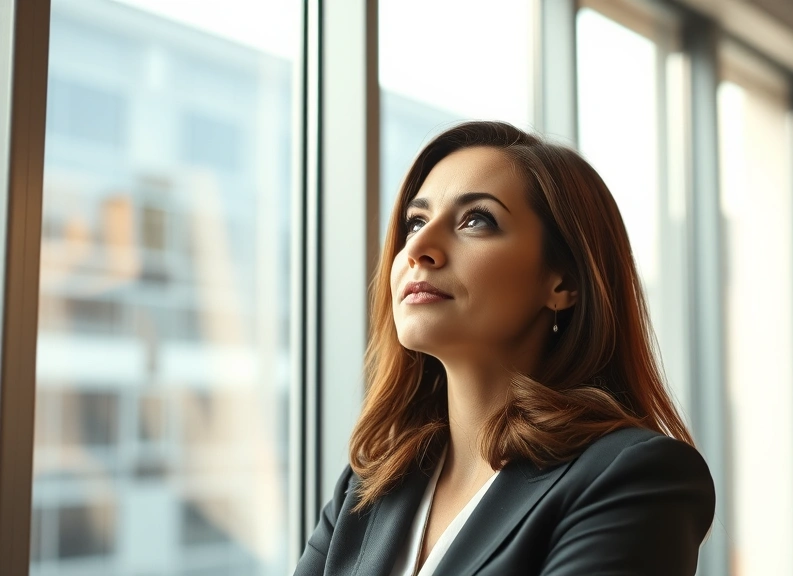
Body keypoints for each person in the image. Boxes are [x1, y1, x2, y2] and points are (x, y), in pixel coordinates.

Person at [293, 121, 715, 576]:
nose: (419, 247)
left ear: (563, 282)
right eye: (416, 221)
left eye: (476, 220)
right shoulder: (369, 487)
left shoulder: (635, 477)